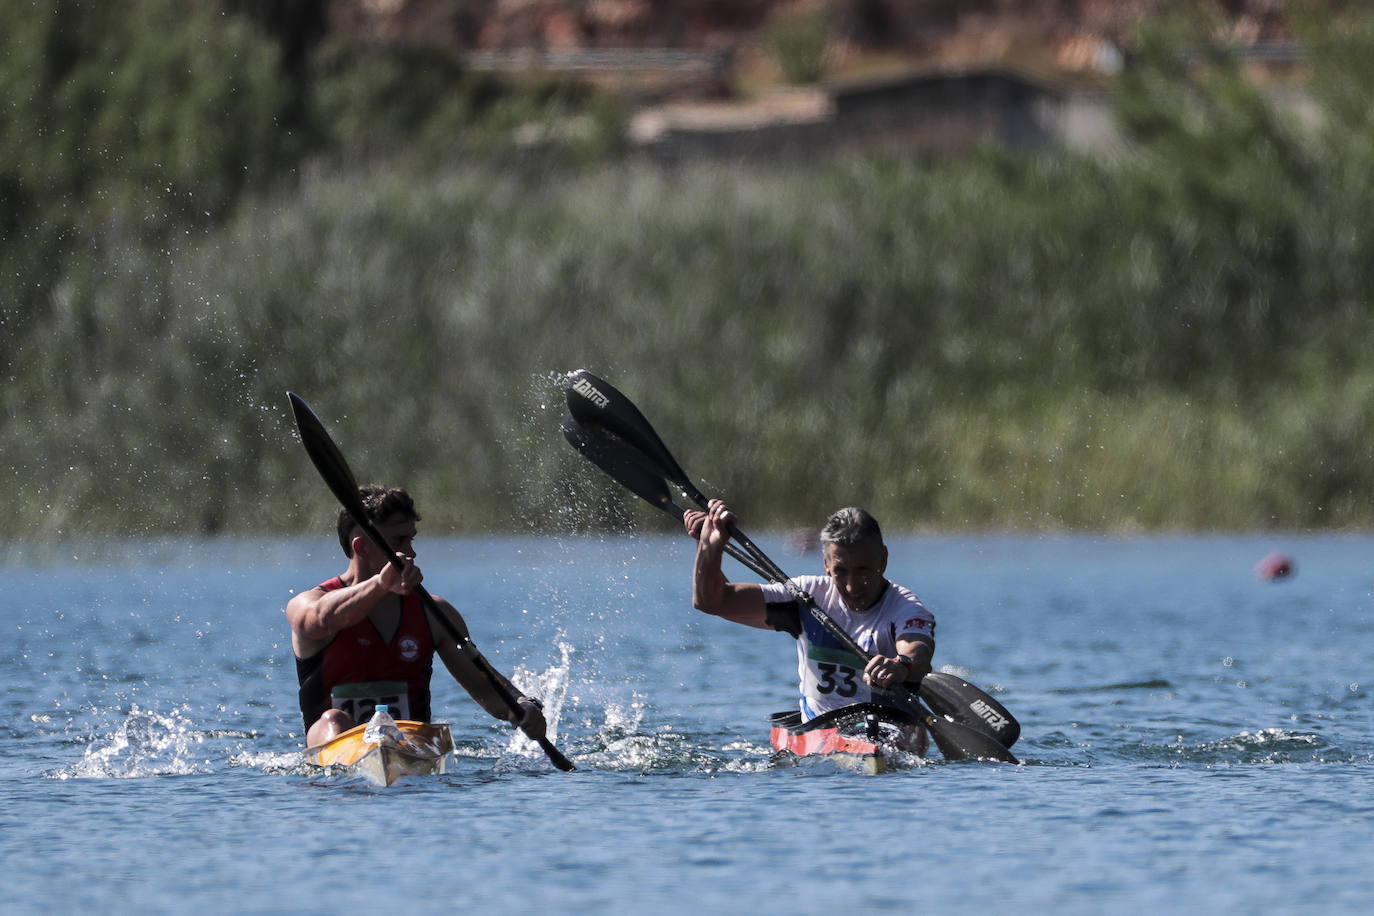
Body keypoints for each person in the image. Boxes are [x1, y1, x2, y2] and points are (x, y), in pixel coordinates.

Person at [286, 484, 546, 749]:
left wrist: (523, 705)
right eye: (398, 541)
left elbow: (486, 686)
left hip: (410, 749)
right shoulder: (308, 604)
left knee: (434, 735)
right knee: (333, 719)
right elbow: (318, 622)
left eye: (412, 539)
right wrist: (380, 584)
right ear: (362, 547)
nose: (411, 553)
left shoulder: (434, 614)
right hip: (335, 756)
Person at [686, 499, 935, 746]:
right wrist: (710, 547)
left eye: (863, 570)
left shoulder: (906, 608)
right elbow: (712, 601)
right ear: (826, 565)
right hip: (821, 731)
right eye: (841, 571)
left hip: (888, 729)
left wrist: (901, 665)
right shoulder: (806, 597)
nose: (852, 585)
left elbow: (918, 652)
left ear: (883, 559)